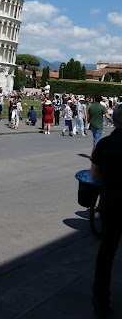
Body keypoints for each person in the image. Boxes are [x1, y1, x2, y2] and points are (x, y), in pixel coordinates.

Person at [91, 103, 122, 317]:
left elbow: (94, 176)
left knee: (106, 254)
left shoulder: (103, 144)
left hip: (111, 203)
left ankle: (101, 302)